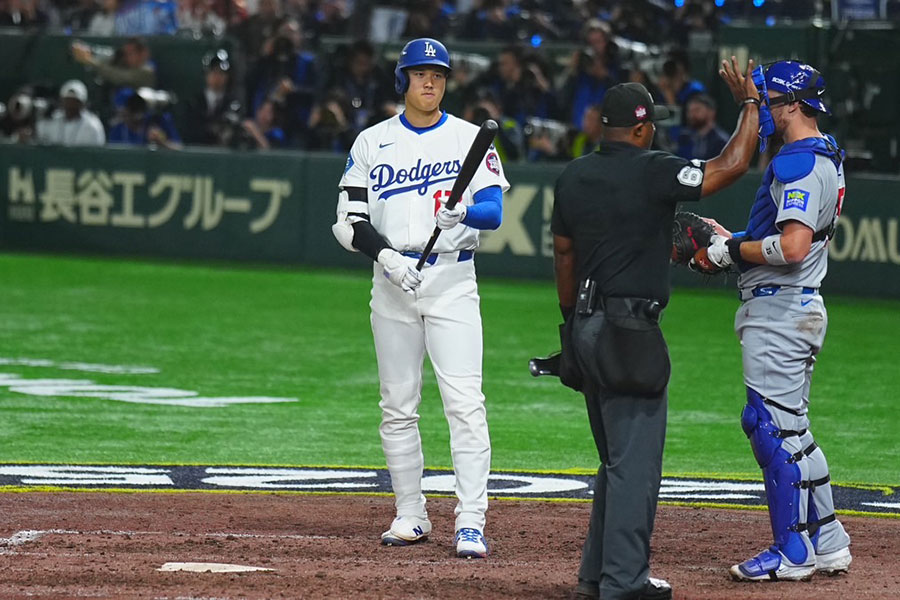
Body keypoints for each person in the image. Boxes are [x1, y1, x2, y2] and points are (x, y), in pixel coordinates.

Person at [550, 58, 760, 600]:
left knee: (613, 460)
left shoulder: (571, 175)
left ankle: (596, 578)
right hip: (629, 331)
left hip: (585, 327)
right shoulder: (654, 169)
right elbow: (732, 163)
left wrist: (570, 324)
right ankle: (624, 583)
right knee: (635, 466)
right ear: (641, 128)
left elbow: (565, 255)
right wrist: (751, 104)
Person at [331, 37, 509, 559]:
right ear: (402, 80)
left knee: (465, 403)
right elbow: (348, 222)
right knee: (397, 405)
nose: (429, 82)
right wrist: (385, 257)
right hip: (392, 280)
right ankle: (411, 513)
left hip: (452, 280)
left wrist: (464, 215)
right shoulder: (371, 141)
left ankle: (470, 521)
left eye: (438, 74)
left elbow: (494, 210)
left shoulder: (469, 138)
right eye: (419, 73)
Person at [698, 59, 853, 583]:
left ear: (790, 104)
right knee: (795, 431)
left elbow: (791, 246)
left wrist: (727, 253)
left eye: (764, 101)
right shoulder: (825, 151)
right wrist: (735, 239)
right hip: (797, 304)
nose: (759, 109)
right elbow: (785, 234)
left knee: (768, 429)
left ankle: (794, 551)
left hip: (780, 308)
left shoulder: (797, 162)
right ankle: (828, 538)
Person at [35, 80, 106, 146]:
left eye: (74, 101)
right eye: (67, 100)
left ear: (82, 103)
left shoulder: (92, 125)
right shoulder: (53, 120)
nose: (70, 104)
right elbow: (40, 138)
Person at [673, 94, 729, 160]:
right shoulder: (685, 138)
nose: (692, 115)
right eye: (689, 111)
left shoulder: (721, 142)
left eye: (697, 110)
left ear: (711, 112)